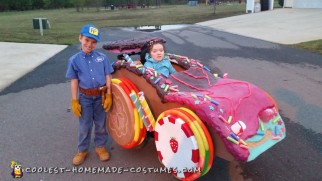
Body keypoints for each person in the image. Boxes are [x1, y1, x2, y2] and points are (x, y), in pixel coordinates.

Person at [66, 24, 114, 166]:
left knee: (100, 124)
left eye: (93, 42)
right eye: (87, 40)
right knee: (85, 125)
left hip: (101, 96)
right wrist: (75, 101)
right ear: (80, 38)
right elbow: (74, 81)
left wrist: (109, 94)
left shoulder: (102, 58)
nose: (89, 44)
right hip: (85, 98)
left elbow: (108, 76)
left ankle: (100, 147)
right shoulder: (74, 60)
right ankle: (82, 150)